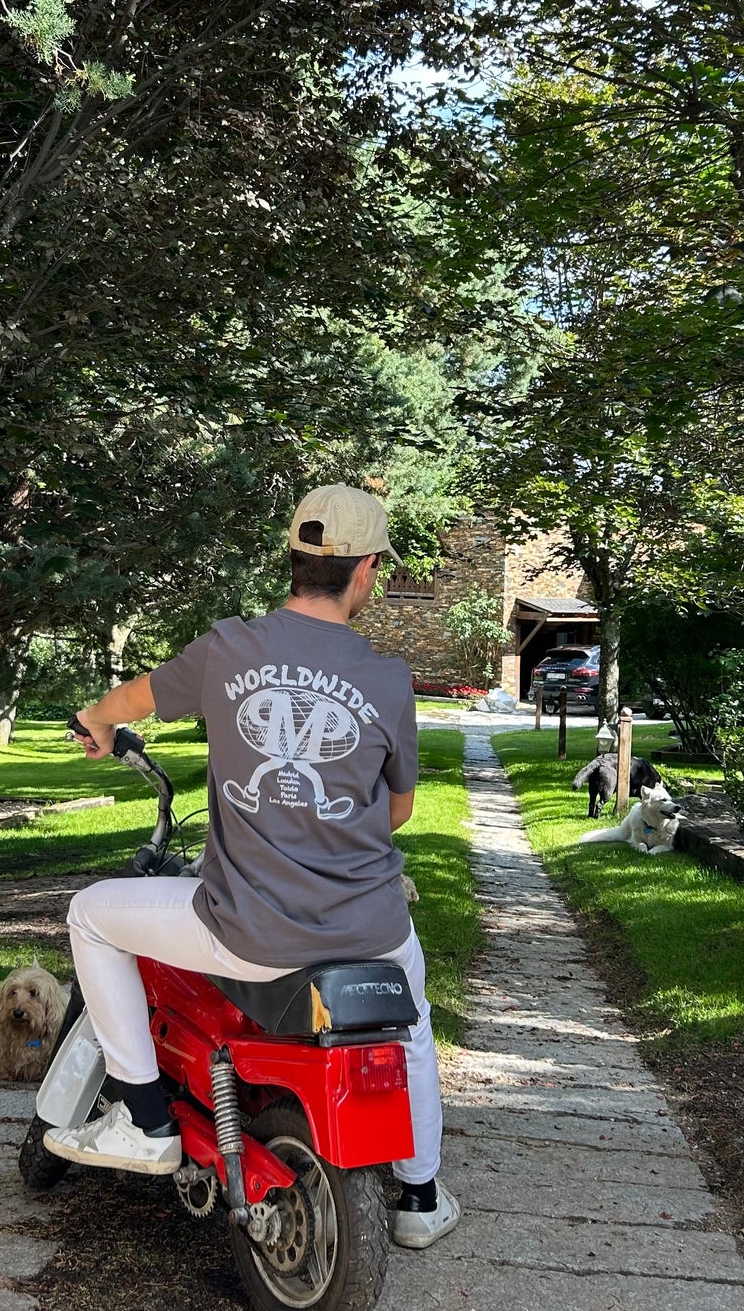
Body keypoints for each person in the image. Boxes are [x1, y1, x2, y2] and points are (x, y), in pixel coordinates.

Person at [44, 484, 459, 1250]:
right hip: (372, 930)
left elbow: (134, 698)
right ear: (366, 570)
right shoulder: (388, 677)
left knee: (93, 915)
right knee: (411, 1030)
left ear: (294, 562)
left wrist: (96, 722)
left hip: (249, 933)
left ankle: (142, 1119)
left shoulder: (229, 647)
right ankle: (421, 1197)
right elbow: (397, 812)